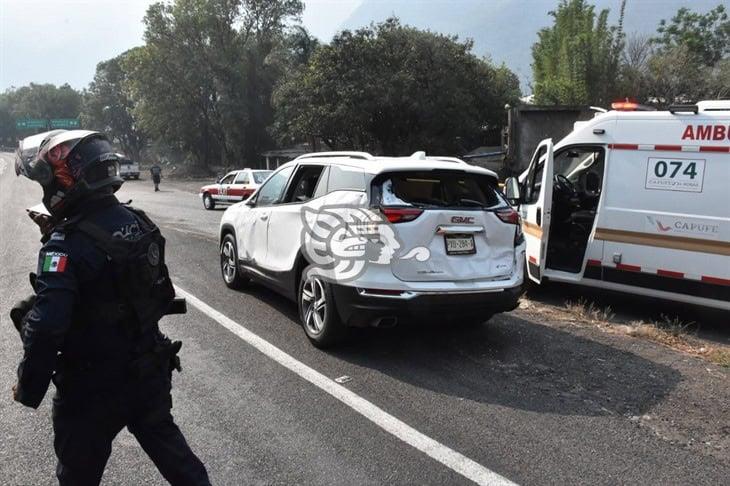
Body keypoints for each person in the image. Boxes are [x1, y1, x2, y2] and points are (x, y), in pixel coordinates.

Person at [12, 130, 210, 486]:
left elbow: (46, 326)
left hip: (92, 388)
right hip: (147, 370)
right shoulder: (139, 222)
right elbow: (130, 286)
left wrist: (28, 387)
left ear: (66, 182)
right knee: (183, 467)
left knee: (77, 478)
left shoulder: (63, 246)